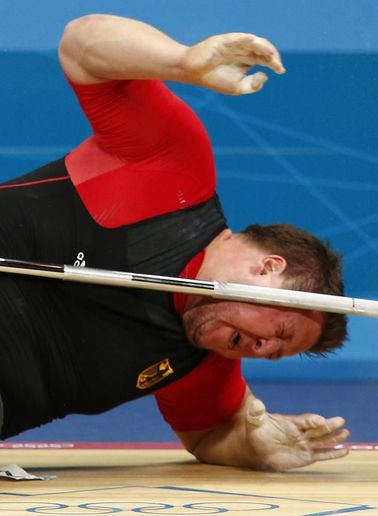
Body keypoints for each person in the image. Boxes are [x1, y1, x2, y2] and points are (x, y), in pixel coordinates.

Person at [0, 14, 350, 471]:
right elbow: (80, 45)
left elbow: (208, 435)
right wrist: (181, 61)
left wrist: (256, 446)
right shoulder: (174, 174)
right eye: (279, 332)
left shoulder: (203, 366)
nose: (261, 350)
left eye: (277, 353)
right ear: (267, 267)